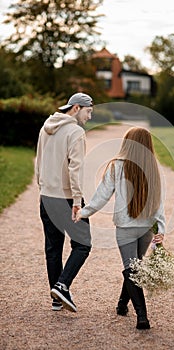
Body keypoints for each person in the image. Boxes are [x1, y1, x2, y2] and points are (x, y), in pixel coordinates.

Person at [75, 127, 165, 329]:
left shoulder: (116, 166)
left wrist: (84, 212)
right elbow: (159, 201)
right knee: (134, 266)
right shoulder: (153, 166)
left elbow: (102, 195)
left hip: (125, 226)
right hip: (146, 227)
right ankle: (122, 304)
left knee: (131, 268)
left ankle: (142, 317)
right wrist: (161, 229)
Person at [35, 92, 93, 313]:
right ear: (76, 108)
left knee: (53, 247)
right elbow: (75, 170)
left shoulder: (45, 127)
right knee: (83, 244)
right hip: (67, 198)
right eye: (88, 112)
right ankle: (62, 285)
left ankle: (56, 299)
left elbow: (38, 163)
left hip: (47, 197)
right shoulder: (76, 132)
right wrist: (77, 201)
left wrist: (44, 190)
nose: (89, 117)